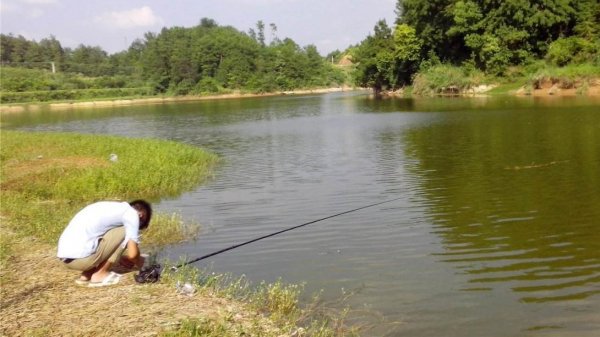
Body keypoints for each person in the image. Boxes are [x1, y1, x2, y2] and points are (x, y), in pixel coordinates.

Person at [57, 200, 152, 287]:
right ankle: (100, 275)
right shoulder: (132, 214)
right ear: (141, 216)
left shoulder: (111, 208)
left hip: (66, 259)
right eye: (140, 224)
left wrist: (118, 257)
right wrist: (143, 265)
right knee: (124, 230)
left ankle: (87, 275)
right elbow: (132, 255)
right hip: (82, 260)